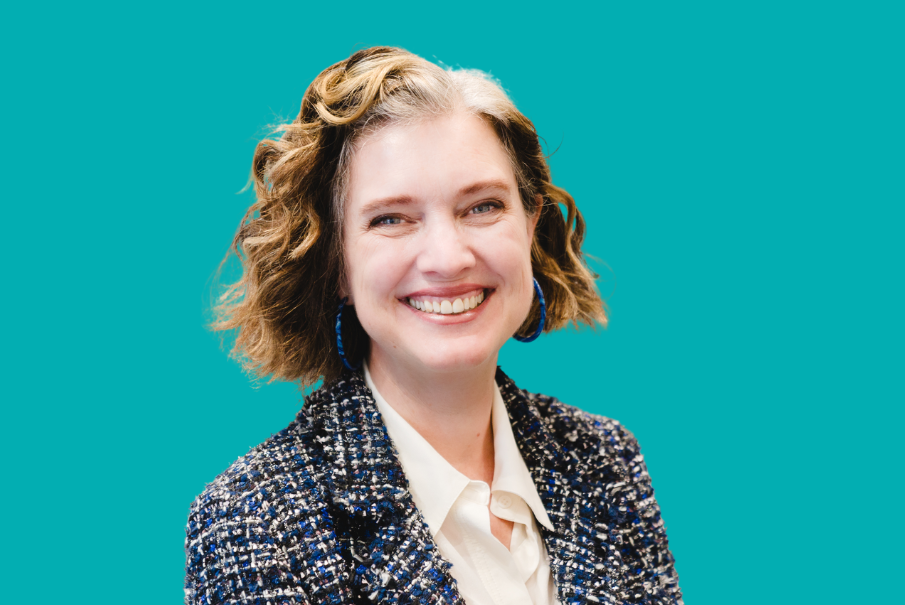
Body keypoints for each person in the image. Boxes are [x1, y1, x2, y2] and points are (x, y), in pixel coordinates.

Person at [184, 46, 682, 605]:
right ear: (337, 262)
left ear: (530, 225)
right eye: (391, 219)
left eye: (483, 207)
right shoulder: (257, 521)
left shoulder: (605, 460)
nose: (447, 258)